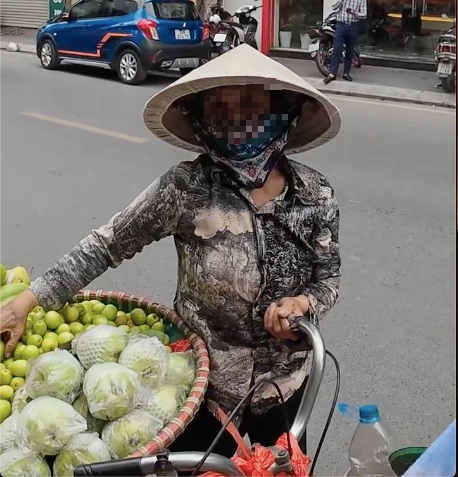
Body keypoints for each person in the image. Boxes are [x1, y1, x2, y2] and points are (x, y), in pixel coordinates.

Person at [0, 45, 342, 458]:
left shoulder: (315, 194)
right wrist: (25, 302)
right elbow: (105, 246)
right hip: (204, 391)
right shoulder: (185, 188)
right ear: (204, 122)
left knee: (287, 468)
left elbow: (328, 277)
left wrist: (305, 303)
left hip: (285, 386)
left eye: (254, 108)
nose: (240, 124)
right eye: (223, 112)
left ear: (283, 111)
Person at [323, 0, 367, 84]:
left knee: (349, 51)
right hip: (340, 25)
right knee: (337, 49)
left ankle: (346, 73)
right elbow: (334, 7)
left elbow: (364, 14)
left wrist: (355, 13)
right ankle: (332, 73)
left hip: (353, 26)